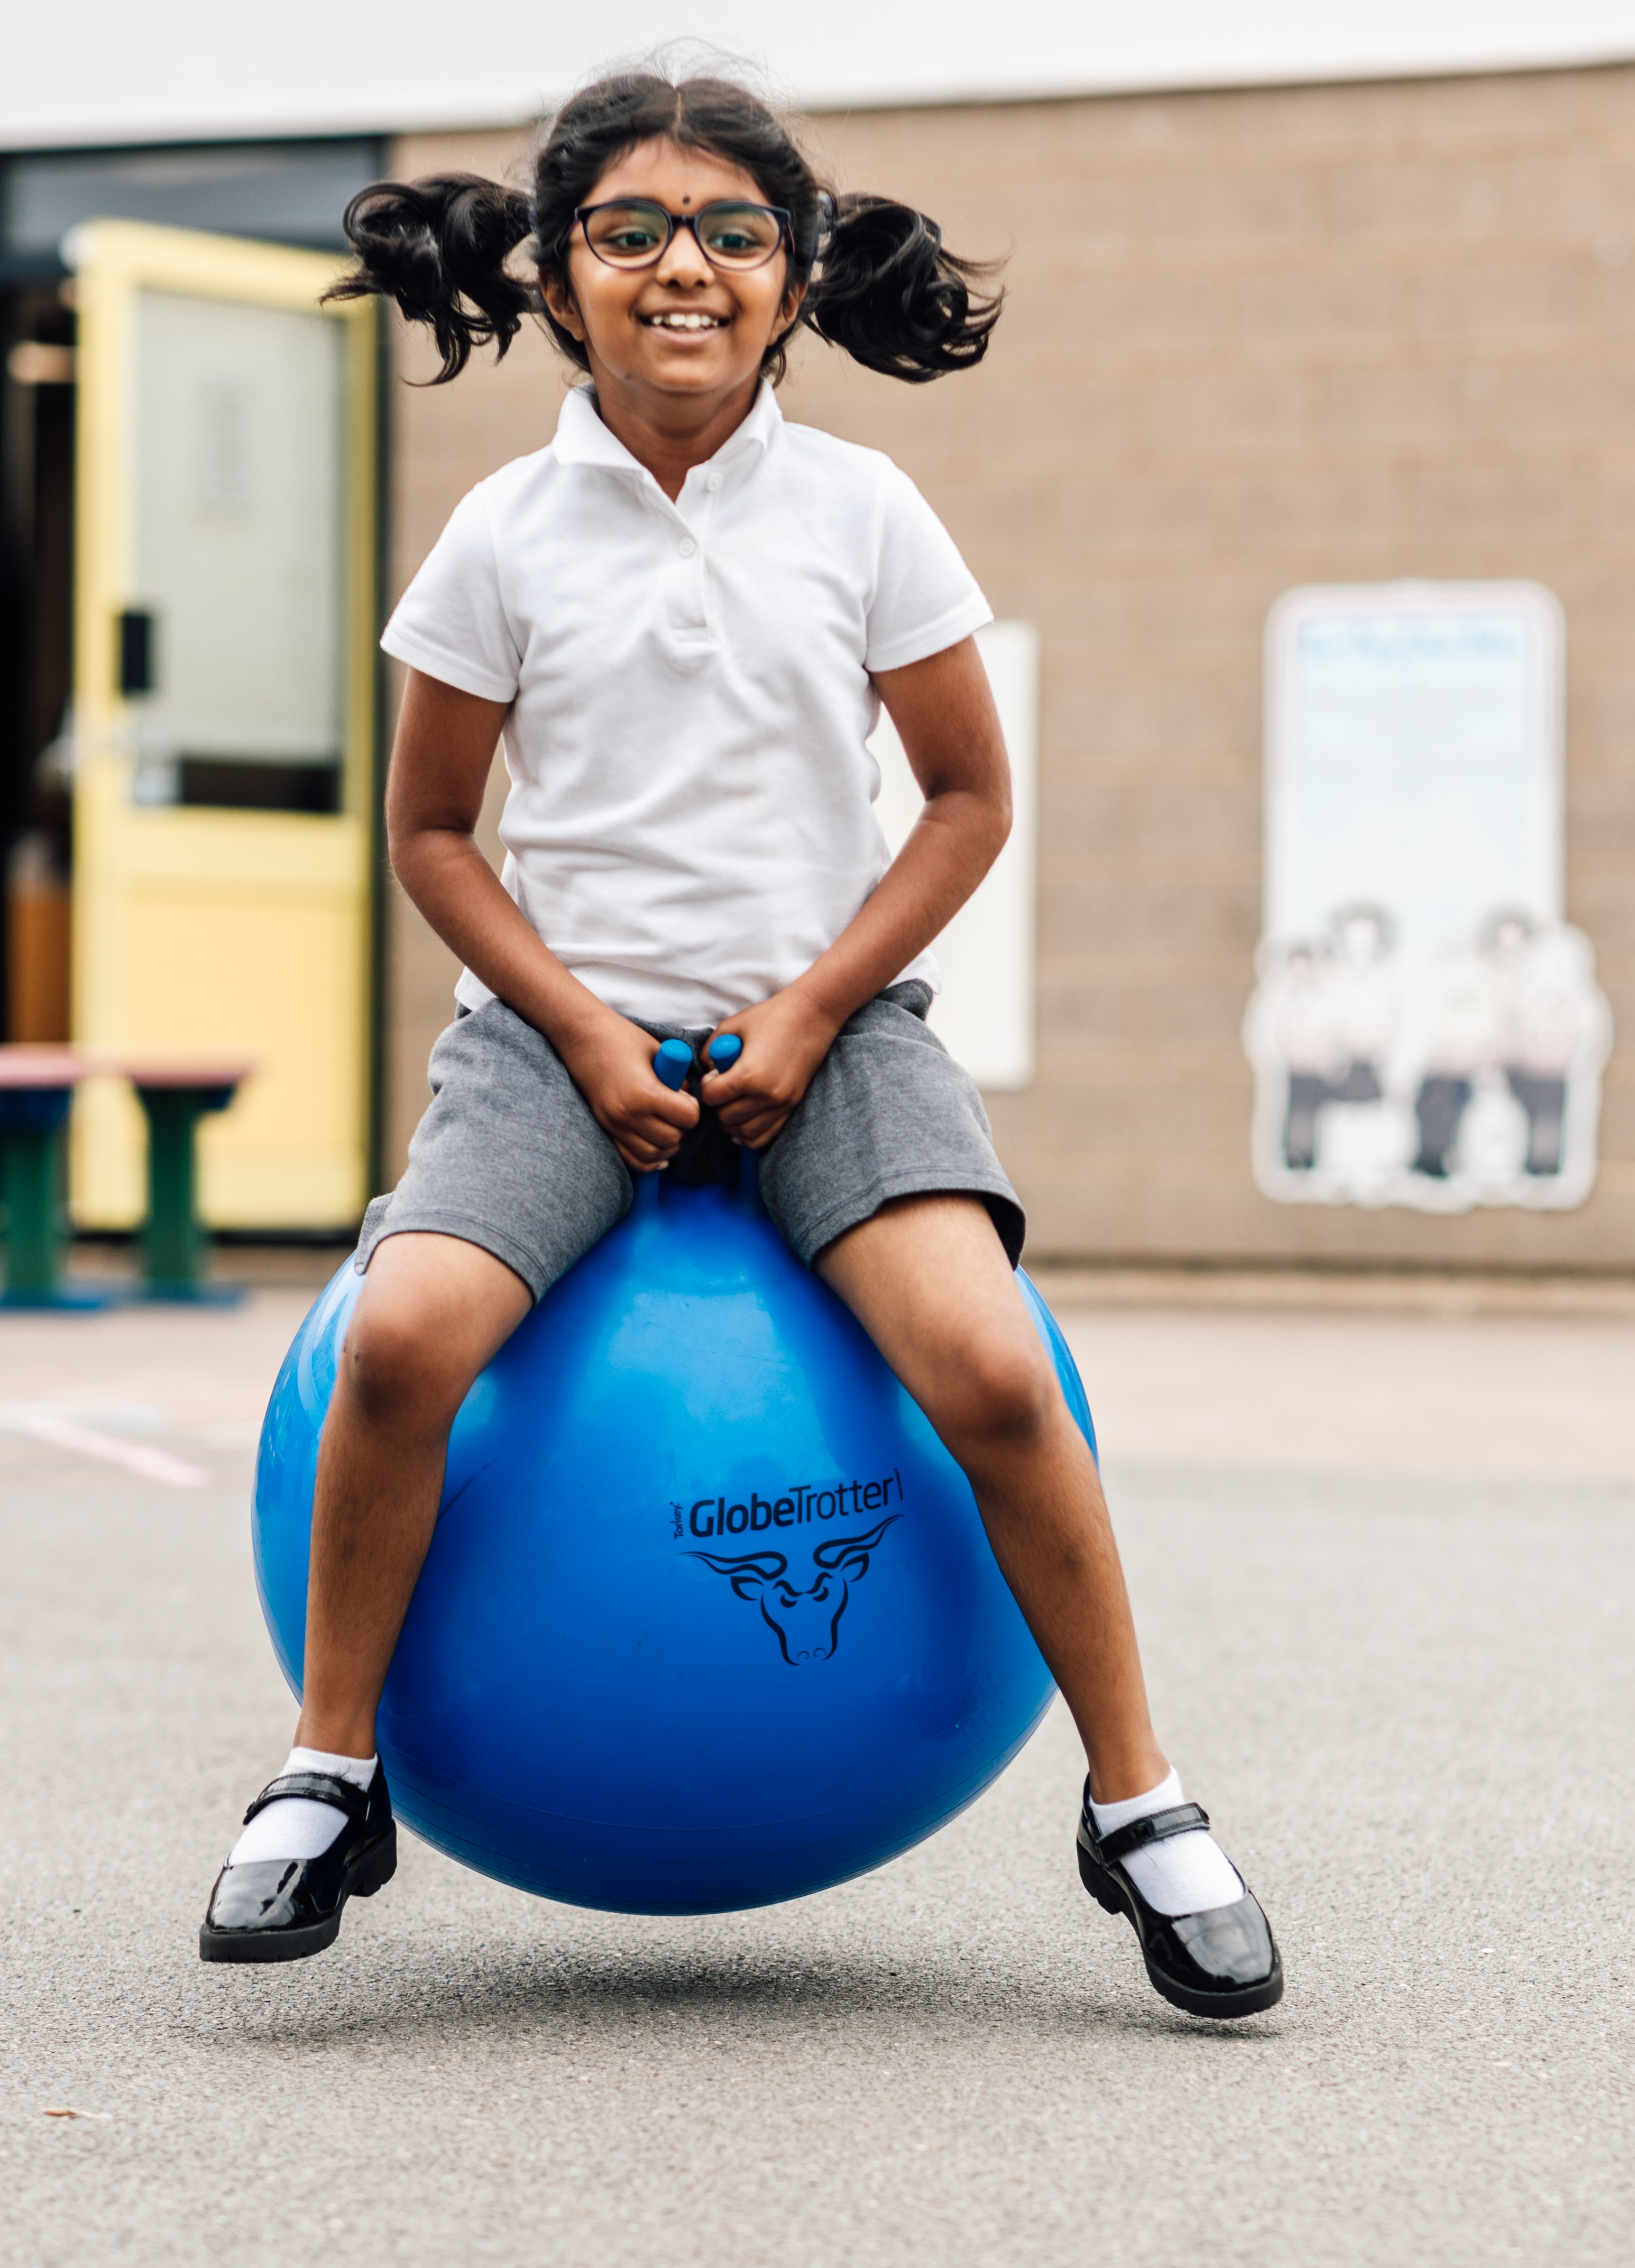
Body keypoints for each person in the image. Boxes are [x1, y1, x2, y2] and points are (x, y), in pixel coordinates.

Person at [195, 68, 1281, 2019]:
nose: (678, 267)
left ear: (789, 283)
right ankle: (330, 1766)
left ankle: (1141, 1799)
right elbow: (433, 836)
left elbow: (961, 798)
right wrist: (587, 1034)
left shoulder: (865, 509)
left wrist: (801, 1012)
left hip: (836, 1033)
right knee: (403, 1335)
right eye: (628, 232)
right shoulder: (501, 536)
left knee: (994, 1370)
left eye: (729, 233)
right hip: (553, 1047)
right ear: (557, 279)